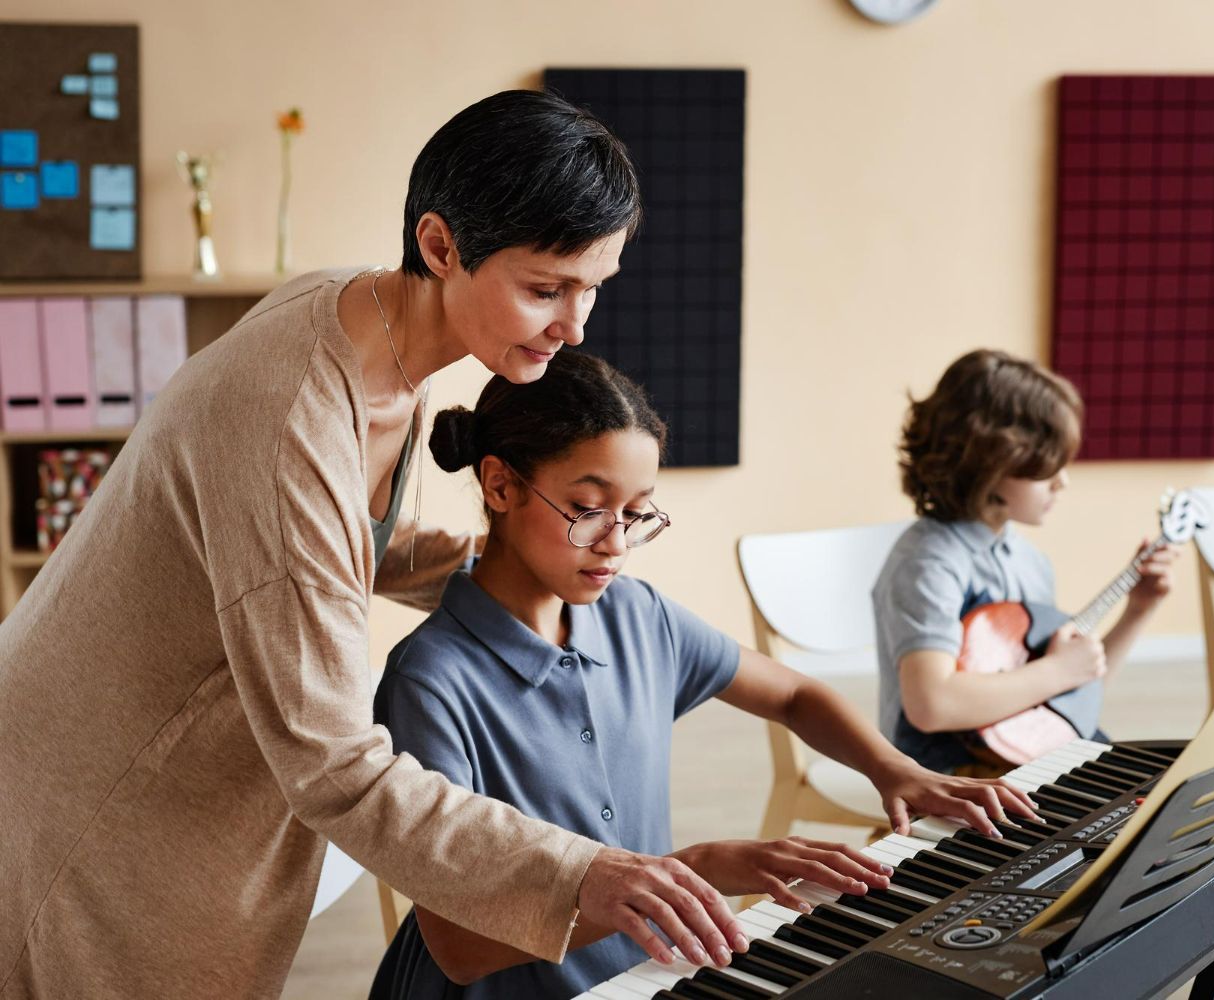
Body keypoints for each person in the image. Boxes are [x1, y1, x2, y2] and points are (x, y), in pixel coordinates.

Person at [0, 90, 739, 999]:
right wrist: (584, 872)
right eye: (546, 288)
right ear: (440, 246)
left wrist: (503, 567)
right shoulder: (292, 409)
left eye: (593, 288)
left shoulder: (374, 328)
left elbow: (324, 538)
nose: (575, 326)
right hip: (109, 796)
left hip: (162, 763)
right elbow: (336, 766)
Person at [366, 350, 1035, 998]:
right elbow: (459, 951)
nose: (617, 543)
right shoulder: (430, 681)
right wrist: (688, 872)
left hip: (645, 971)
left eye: (636, 513)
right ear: (500, 484)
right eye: (589, 509)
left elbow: (796, 693)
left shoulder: (637, 616)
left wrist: (896, 771)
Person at [874, 348, 1214, 1000]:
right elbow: (932, 703)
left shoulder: (1024, 560)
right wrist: (1056, 671)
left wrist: (1139, 609)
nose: (1063, 482)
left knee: (1205, 837)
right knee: (1166, 864)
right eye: (1051, 464)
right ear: (996, 460)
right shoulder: (930, 561)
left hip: (1049, 761)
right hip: (961, 779)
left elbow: (1067, 697)